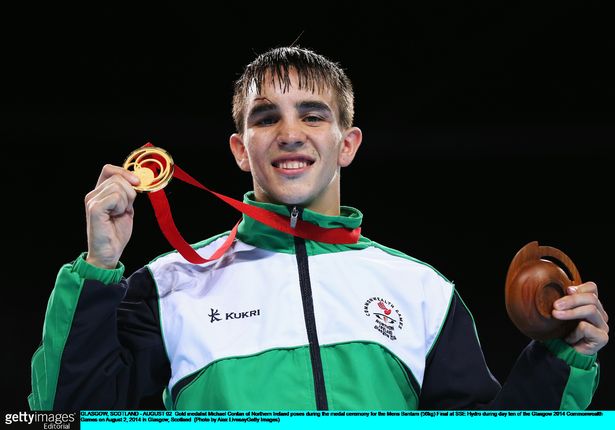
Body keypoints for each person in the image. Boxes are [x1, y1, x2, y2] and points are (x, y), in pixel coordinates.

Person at [30, 46, 608, 411]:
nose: (290, 133)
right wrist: (99, 267)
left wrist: (561, 360)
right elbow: (66, 415)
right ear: (239, 150)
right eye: (266, 119)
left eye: (313, 115)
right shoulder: (167, 283)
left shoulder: (422, 290)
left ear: (347, 143)